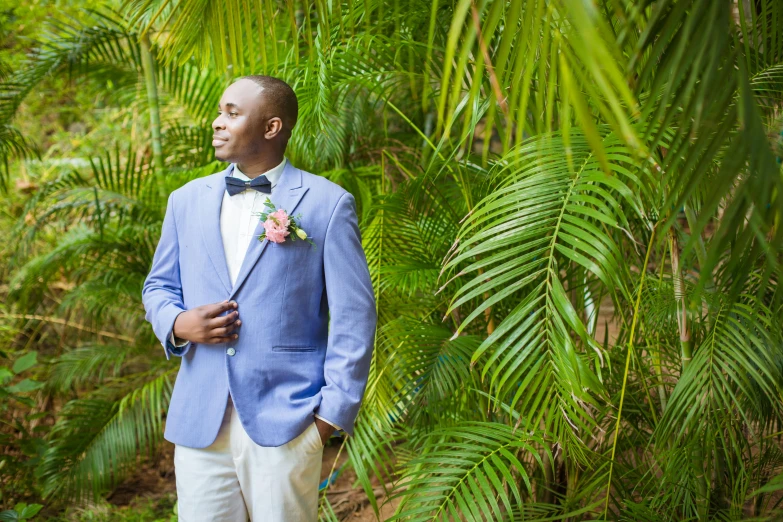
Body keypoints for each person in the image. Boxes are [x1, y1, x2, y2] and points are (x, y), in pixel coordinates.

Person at [141, 75, 377, 521]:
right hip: (200, 422)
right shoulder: (185, 201)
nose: (217, 123)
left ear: (271, 128)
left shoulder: (327, 203)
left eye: (232, 113)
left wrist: (328, 418)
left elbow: (354, 315)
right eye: (218, 112)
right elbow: (158, 287)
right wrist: (176, 324)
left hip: (287, 420)